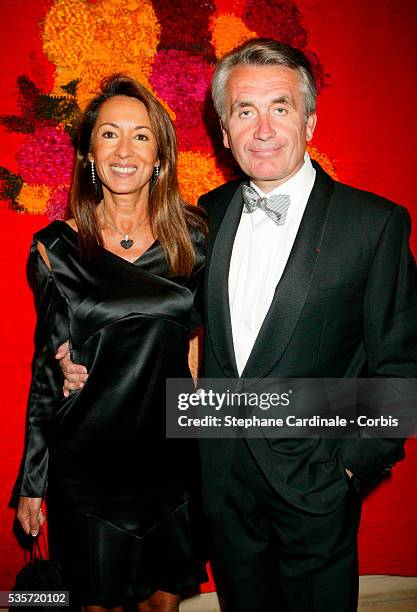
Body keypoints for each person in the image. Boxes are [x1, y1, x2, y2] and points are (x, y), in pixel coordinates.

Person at [58, 40, 417, 611]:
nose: (264, 128)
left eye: (280, 107)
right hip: (220, 479)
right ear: (224, 131)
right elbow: (167, 319)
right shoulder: (209, 212)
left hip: (316, 482)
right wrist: (79, 355)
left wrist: (349, 464)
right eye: (244, 111)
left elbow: (400, 367)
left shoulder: (375, 225)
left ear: (311, 120)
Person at [14, 74, 207, 611]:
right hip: (88, 462)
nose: (125, 150)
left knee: (161, 606)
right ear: (89, 154)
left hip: (170, 458)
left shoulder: (196, 239)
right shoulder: (55, 248)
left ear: (160, 156)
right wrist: (33, 479)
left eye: (142, 136)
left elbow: (221, 339)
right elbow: (46, 370)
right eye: (110, 134)